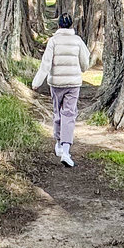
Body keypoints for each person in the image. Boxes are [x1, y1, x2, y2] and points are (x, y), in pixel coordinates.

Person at [32, 12, 91, 166]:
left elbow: (46, 63)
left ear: (58, 25)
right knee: (69, 114)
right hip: (73, 84)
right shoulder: (77, 41)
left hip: (56, 83)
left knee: (57, 113)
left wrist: (37, 82)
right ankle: (66, 151)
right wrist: (82, 69)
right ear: (72, 25)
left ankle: (58, 143)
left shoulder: (53, 41)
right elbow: (85, 63)